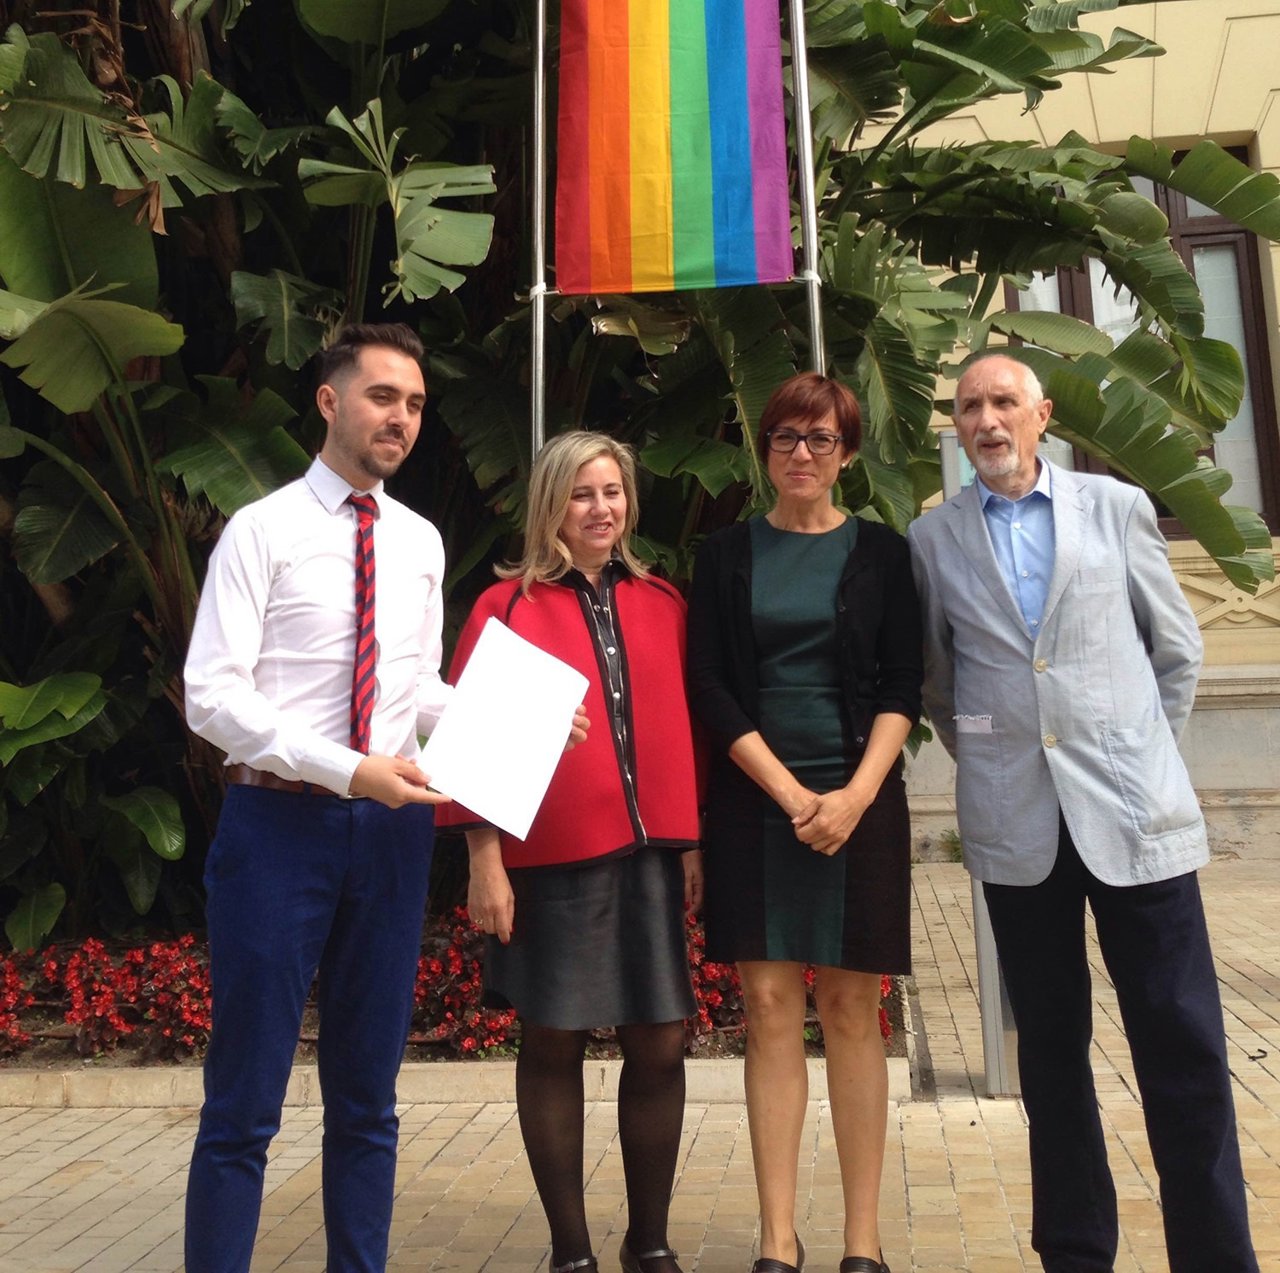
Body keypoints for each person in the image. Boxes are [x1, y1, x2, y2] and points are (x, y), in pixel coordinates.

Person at [906, 351, 1258, 1272]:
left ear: (1043, 415)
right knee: (1053, 1057)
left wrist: (1137, 754)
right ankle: (1075, 1250)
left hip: (1136, 823)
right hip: (1018, 831)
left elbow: (1173, 653)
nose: (986, 419)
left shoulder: (1117, 510)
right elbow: (942, 686)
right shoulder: (934, 540)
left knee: (1182, 1048)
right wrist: (995, 753)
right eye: (971, 405)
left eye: (1004, 402)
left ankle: (1216, 1255)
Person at [184, 323, 463, 1272]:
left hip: (388, 840)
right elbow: (212, 696)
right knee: (244, 1102)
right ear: (330, 401)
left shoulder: (419, 542)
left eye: (416, 404)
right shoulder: (260, 529)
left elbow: (413, 688)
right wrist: (347, 770)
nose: (402, 417)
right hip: (276, 829)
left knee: (368, 1100)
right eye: (384, 396)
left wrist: (512, 720)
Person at [440, 431, 703, 1273]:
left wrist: (692, 842)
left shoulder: (662, 599)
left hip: (652, 852)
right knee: (552, 1039)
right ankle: (570, 1249)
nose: (601, 509)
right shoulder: (506, 606)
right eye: (583, 493)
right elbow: (470, 745)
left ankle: (649, 1241)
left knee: (660, 1040)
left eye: (613, 492)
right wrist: (485, 862)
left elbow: (681, 729)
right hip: (546, 856)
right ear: (552, 502)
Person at [687, 373, 922, 1273]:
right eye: (786, 437)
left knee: (853, 1008)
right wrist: (790, 796)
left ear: (847, 455)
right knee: (771, 1004)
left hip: (861, 797)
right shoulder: (724, 555)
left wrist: (855, 796)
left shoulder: (884, 553)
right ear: (765, 448)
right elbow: (710, 685)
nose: (801, 454)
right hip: (758, 801)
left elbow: (904, 683)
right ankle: (777, 1236)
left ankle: (861, 1239)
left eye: (821, 440)